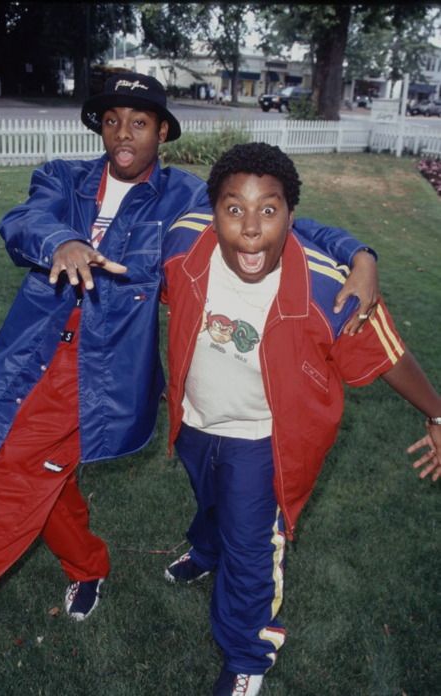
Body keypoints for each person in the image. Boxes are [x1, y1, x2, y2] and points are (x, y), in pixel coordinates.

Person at [0, 73, 378, 637]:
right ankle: (88, 566)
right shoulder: (63, 178)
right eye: (112, 120)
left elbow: (278, 220)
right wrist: (64, 243)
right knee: (45, 479)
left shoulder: (184, 198)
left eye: (140, 122)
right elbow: (23, 223)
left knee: (9, 490)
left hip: (97, 375)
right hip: (28, 357)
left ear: (163, 131)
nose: (123, 133)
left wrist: (357, 253)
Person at [161, 143, 441, 696]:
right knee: (209, 502)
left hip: (263, 441)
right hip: (195, 421)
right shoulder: (182, 245)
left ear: (291, 215)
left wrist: (438, 413)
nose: (249, 228)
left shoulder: (327, 288)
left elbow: (388, 354)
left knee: (252, 551)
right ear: (212, 209)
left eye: (269, 210)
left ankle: (247, 655)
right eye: (232, 208)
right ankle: (207, 548)